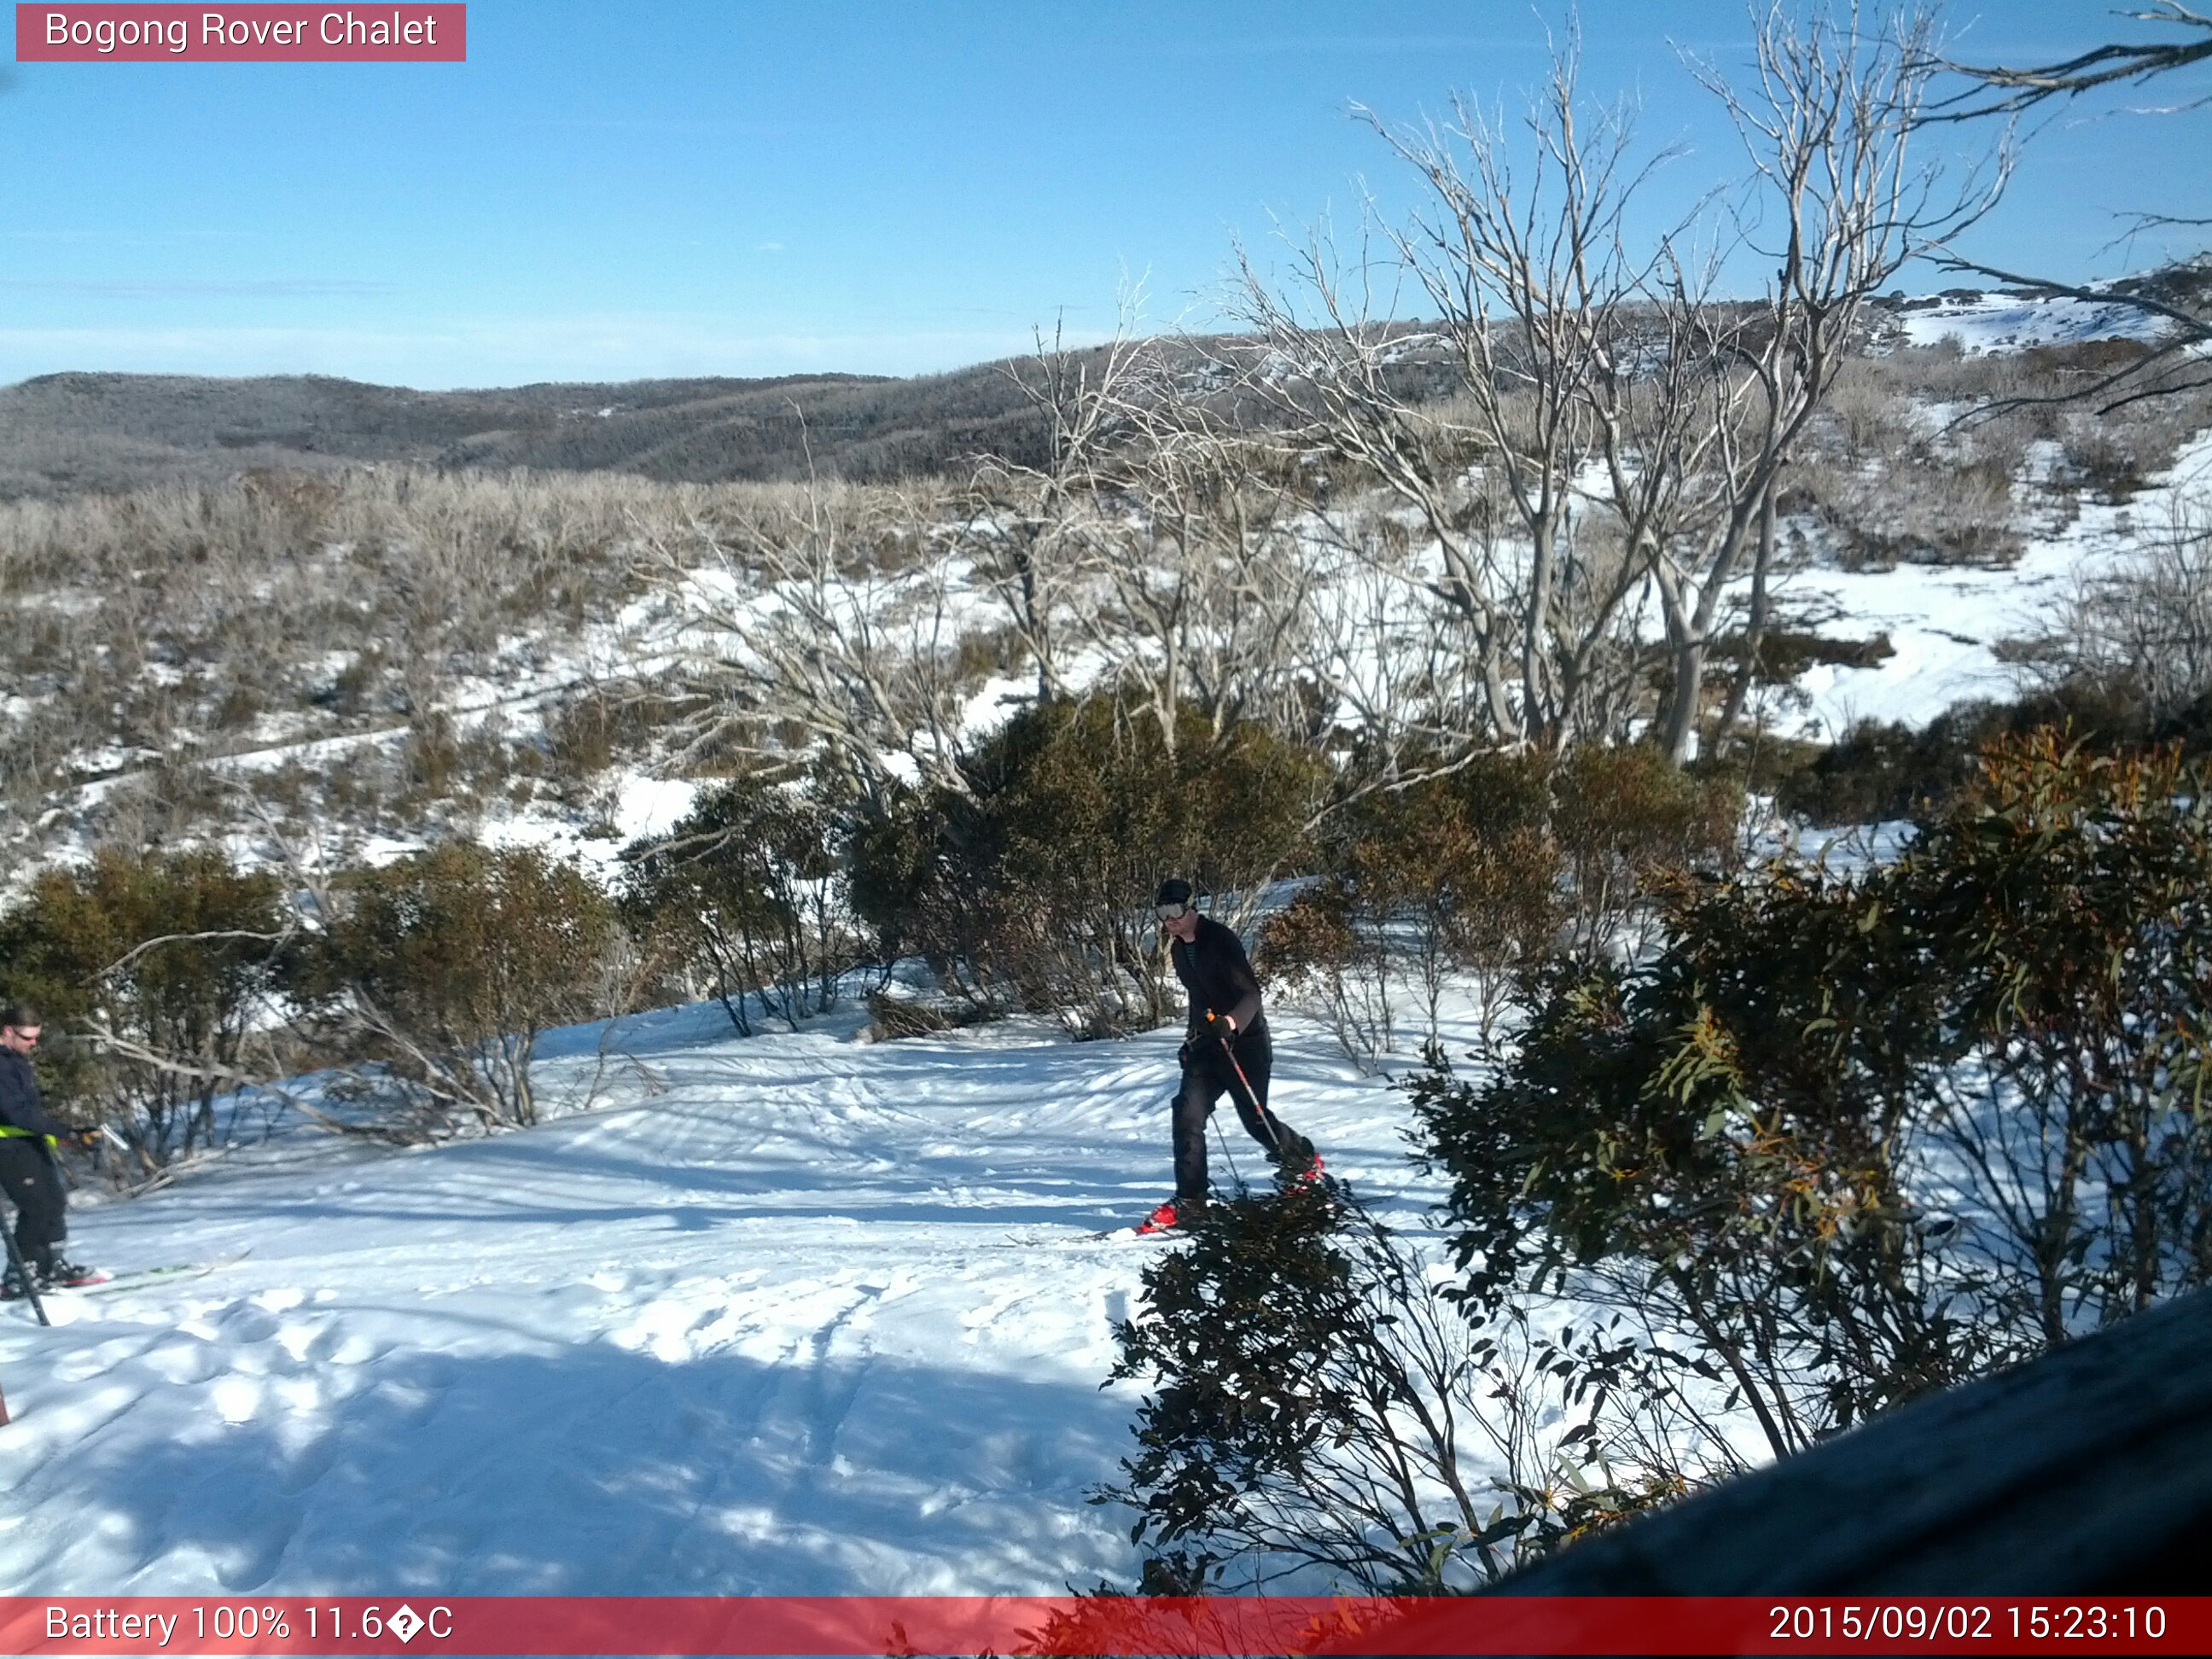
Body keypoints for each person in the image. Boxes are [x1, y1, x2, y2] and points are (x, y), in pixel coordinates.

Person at [1140, 880, 1319, 1234]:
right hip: (1208, 1045)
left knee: (1254, 1119)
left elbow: (1251, 993)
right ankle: (1191, 1202)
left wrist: (1232, 1023)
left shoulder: (1220, 940)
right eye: (1163, 913)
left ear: (1192, 909)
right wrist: (1191, 1038)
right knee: (1187, 1112)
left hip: (1247, 1043)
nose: (1170, 920)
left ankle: (1302, 1162)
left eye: (1175, 911)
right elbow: (1198, 997)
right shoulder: (1177, 950)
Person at [0, 1004, 101, 1296]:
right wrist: (65, 1131)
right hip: (8, 1148)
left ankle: (51, 1265)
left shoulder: (15, 1058)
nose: (33, 1044)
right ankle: (21, 1273)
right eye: (27, 1038)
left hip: (29, 1142)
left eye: (36, 1038)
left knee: (54, 1201)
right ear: (8, 1031)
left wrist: (68, 1133)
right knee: (35, 1206)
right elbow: (16, 1114)